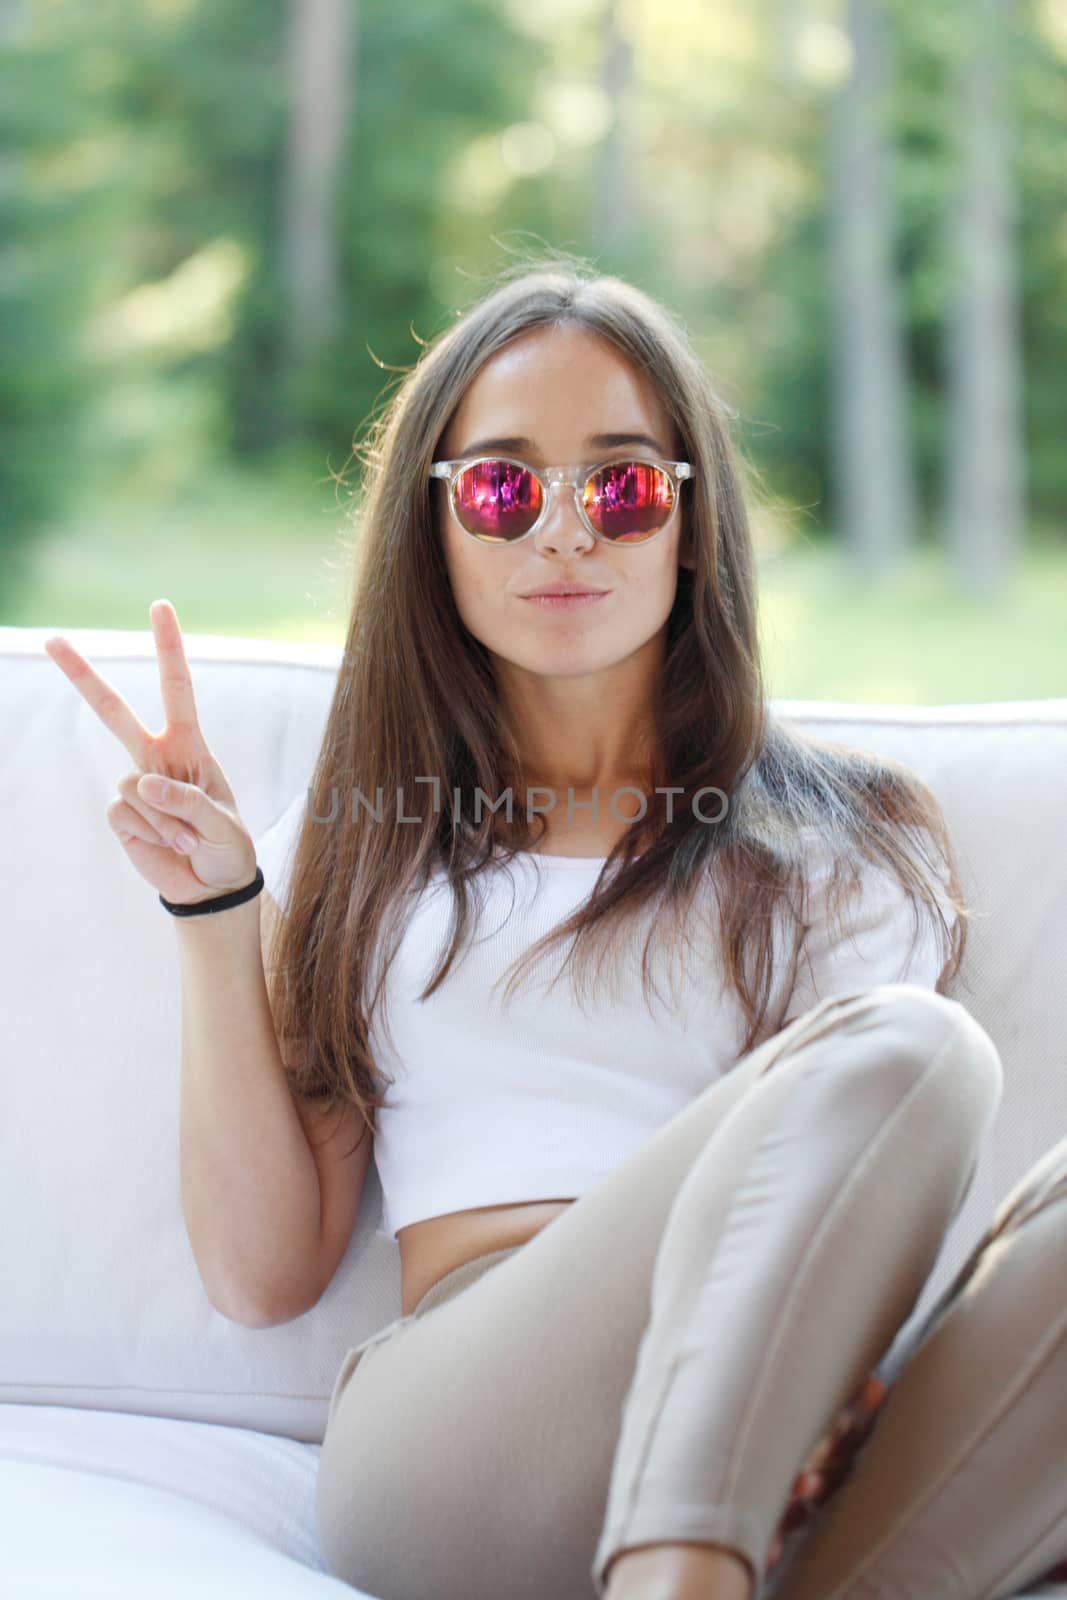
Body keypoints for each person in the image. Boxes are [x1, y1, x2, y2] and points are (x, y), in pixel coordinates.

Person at [43, 260, 1067, 1600]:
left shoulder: (844, 851)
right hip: (470, 1441)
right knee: (907, 1053)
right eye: (506, 489)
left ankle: (690, 1567)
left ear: (690, 526)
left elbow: (865, 1220)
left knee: (910, 1073)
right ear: (442, 529)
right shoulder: (368, 843)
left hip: (778, 1428)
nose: (567, 534)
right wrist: (215, 910)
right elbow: (261, 1271)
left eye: (624, 487)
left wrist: (843, 1396)